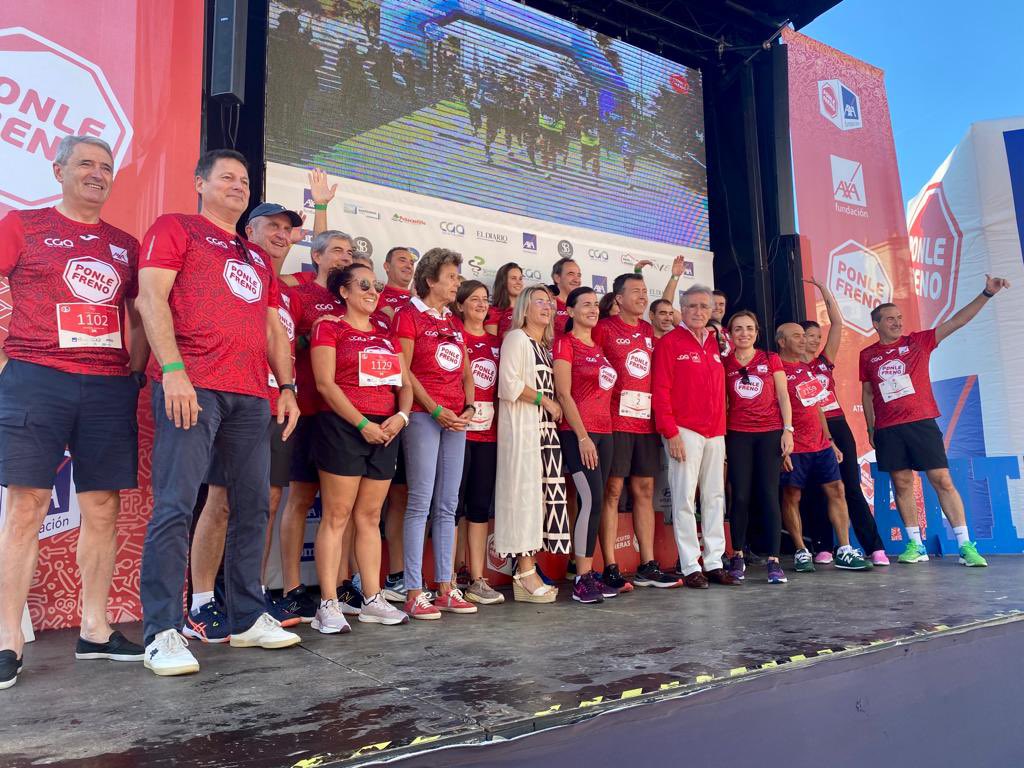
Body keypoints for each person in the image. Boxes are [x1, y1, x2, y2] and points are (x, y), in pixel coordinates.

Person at [136, 149, 302, 676]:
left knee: (254, 507)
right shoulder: (176, 227)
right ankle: (162, 630)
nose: (237, 185)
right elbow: (150, 299)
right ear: (199, 182)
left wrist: (288, 385)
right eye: (226, 177)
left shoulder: (255, 257)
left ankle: (247, 617)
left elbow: (274, 328)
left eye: (244, 179)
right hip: (193, 387)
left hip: (251, 396)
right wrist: (173, 370)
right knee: (176, 506)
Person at [0, 136, 149, 690]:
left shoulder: (125, 244)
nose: (97, 173)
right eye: (85, 164)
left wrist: (132, 371)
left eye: (106, 167)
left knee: (103, 507)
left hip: (108, 386)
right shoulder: (24, 223)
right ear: (58, 169)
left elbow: (140, 313)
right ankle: (6, 639)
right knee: (27, 505)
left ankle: (94, 627)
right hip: (36, 376)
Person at [186, 203, 305, 642]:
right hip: (225, 393)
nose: (281, 233)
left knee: (259, 504)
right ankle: (200, 603)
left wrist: (288, 390)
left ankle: (246, 600)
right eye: (272, 226)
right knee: (218, 501)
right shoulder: (225, 264)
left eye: (288, 229)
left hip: (271, 402)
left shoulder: (285, 286)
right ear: (248, 229)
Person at [861, 277, 1009, 567]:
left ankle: (966, 545)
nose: (896, 322)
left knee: (941, 479)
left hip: (922, 422)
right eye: (889, 319)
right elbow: (867, 393)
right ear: (876, 324)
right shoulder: (867, 354)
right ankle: (915, 544)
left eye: (899, 318)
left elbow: (956, 321)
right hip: (888, 428)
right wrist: (870, 427)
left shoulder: (918, 341)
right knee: (902, 483)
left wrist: (987, 294)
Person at [310, 263, 412, 631]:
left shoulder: (386, 332)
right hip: (344, 427)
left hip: (385, 430)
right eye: (364, 285)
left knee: (370, 518)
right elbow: (325, 383)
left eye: (376, 286)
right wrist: (362, 424)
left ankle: (372, 597)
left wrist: (401, 417)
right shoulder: (329, 326)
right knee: (337, 516)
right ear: (344, 293)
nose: (373, 292)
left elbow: (405, 384)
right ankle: (328, 603)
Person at [275, 230, 355, 622]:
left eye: (350, 252)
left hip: (344, 418)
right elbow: (283, 344)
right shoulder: (299, 294)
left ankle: (340, 586)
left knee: (343, 507)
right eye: (337, 251)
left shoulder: (355, 302)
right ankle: (291, 587)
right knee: (301, 499)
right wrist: (315, 337)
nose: (344, 257)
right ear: (317, 256)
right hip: (305, 408)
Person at [393, 248, 477, 619]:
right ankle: (414, 590)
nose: (457, 283)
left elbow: (466, 370)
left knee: (447, 505)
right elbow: (404, 370)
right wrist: (434, 408)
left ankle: (446, 586)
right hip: (424, 417)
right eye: (452, 277)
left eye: (458, 277)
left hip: (456, 419)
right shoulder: (408, 315)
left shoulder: (453, 321)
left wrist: (470, 406)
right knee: (421, 502)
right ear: (431, 280)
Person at [595, 274, 680, 590]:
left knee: (645, 489)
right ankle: (611, 567)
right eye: (636, 292)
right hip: (615, 423)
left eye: (646, 292)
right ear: (619, 298)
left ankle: (647, 564)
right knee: (613, 491)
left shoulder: (648, 330)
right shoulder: (604, 328)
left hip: (645, 422)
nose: (644, 297)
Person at [652, 285, 737, 588]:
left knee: (715, 497)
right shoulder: (669, 343)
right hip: (683, 430)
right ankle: (690, 566)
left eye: (704, 306)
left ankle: (714, 561)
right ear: (682, 310)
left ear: (713, 310)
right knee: (685, 498)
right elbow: (660, 390)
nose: (699, 312)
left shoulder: (716, 344)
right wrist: (670, 431)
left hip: (715, 431)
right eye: (692, 307)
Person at [801, 278, 889, 566]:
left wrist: (824, 291)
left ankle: (874, 547)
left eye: (816, 336)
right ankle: (825, 546)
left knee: (851, 486)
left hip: (838, 425)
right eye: (806, 335)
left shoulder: (823, 361)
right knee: (817, 489)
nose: (813, 340)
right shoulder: (786, 367)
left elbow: (837, 325)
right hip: (811, 430)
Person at [494, 285, 568, 603]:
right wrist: (546, 401)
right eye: (539, 301)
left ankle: (531, 568)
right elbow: (508, 383)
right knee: (524, 497)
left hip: (544, 433)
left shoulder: (544, 346)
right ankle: (524, 573)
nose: (546, 306)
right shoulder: (517, 339)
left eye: (549, 302)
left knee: (541, 500)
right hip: (525, 431)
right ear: (524, 308)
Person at [776, 323, 868, 572]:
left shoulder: (808, 369)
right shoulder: (776, 369)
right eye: (797, 336)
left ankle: (845, 549)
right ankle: (800, 550)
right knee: (792, 495)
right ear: (782, 342)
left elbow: (818, 407)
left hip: (820, 444)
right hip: (795, 446)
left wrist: (829, 440)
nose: (803, 340)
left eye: (804, 336)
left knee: (837, 490)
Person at [553, 287, 619, 604]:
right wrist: (582, 436)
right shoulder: (566, 343)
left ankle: (589, 572)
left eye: (596, 304)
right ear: (569, 311)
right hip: (578, 434)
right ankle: (581, 578)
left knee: (597, 500)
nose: (593, 309)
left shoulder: (599, 346)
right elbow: (563, 394)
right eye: (586, 304)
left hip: (605, 433)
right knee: (590, 501)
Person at [722, 311, 793, 584]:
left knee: (768, 494)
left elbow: (783, 395)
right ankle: (737, 554)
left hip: (769, 433)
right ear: (730, 334)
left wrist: (788, 430)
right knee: (740, 495)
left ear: (757, 332)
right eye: (738, 329)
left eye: (749, 329)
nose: (744, 334)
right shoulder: (725, 362)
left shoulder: (770, 358)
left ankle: (774, 561)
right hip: (738, 434)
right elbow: (724, 401)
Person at [454, 280, 504, 605]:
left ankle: (477, 578)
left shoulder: (498, 342)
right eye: (474, 299)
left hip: (488, 435)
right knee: (451, 508)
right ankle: (449, 577)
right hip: (456, 432)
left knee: (478, 508)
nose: (481, 304)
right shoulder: (454, 336)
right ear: (459, 305)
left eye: (485, 299)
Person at [374, 245, 416, 603]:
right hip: (372, 412)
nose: (409, 266)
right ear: (386, 266)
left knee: (401, 495)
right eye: (402, 260)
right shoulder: (375, 297)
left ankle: (399, 575)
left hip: (405, 413)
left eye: (413, 262)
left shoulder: (421, 304)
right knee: (366, 503)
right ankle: (360, 578)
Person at [484, 261, 524, 339]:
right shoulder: (494, 312)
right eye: (513, 278)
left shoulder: (528, 310)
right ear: (503, 282)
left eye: (520, 278)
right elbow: (493, 345)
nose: (518, 282)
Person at [550, 257, 582, 335]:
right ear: (557, 278)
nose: (576, 280)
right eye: (571, 274)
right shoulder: (547, 304)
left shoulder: (581, 306)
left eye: (579, 275)